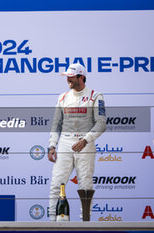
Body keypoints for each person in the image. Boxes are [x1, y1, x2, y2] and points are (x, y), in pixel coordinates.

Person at [47, 63, 106, 221]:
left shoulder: (95, 95)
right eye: (67, 77)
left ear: (81, 77)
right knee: (56, 184)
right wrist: (52, 145)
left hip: (85, 144)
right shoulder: (63, 97)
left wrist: (86, 140)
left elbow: (101, 123)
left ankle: (85, 222)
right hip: (65, 143)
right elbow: (56, 123)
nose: (68, 79)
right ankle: (52, 222)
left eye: (71, 77)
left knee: (85, 185)